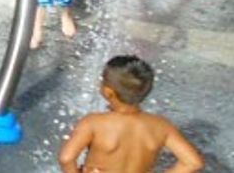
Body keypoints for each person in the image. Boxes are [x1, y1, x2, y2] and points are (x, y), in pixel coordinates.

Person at [57, 55, 204, 173]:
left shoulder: (93, 123)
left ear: (109, 92)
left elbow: (66, 158)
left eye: (102, 80)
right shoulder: (162, 125)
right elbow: (193, 163)